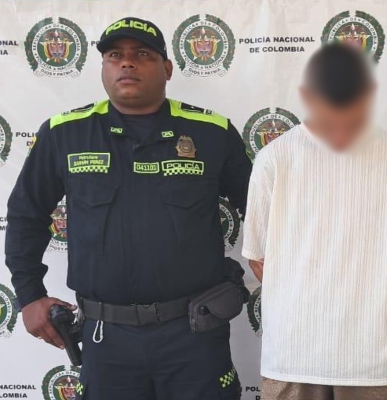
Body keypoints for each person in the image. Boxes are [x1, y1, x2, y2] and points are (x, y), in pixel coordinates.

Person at [5, 17, 251, 400]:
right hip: (106, 338)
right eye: (114, 55)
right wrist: (29, 294)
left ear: (167, 68)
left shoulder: (212, 133)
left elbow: (263, 212)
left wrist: (277, 271)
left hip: (194, 333)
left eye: (142, 54)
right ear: (103, 66)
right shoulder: (64, 133)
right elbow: (26, 214)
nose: (127, 62)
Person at [241, 43, 387, 400]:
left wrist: (365, 287)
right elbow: (258, 258)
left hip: (373, 359)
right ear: (307, 95)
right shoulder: (274, 159)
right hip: (293, 358)